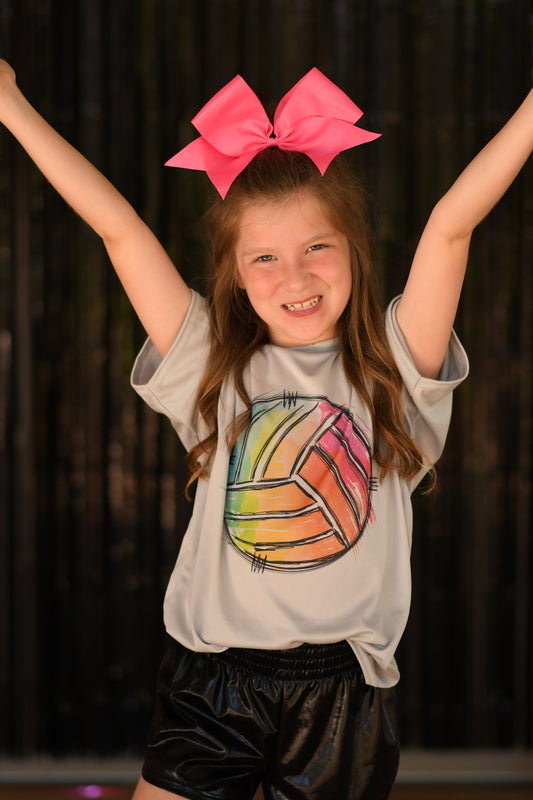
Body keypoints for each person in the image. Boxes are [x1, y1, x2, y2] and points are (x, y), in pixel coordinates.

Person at [0, 59, 531, 800]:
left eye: (317, 247)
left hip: (342, 694)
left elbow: (450, 226)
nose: (296, 277)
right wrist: (10, 105)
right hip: (213, 678)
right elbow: (118, 230)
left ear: (352, 252)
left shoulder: (395, 370)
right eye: (265, 259)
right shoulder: (209, 366)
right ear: (238, 278)